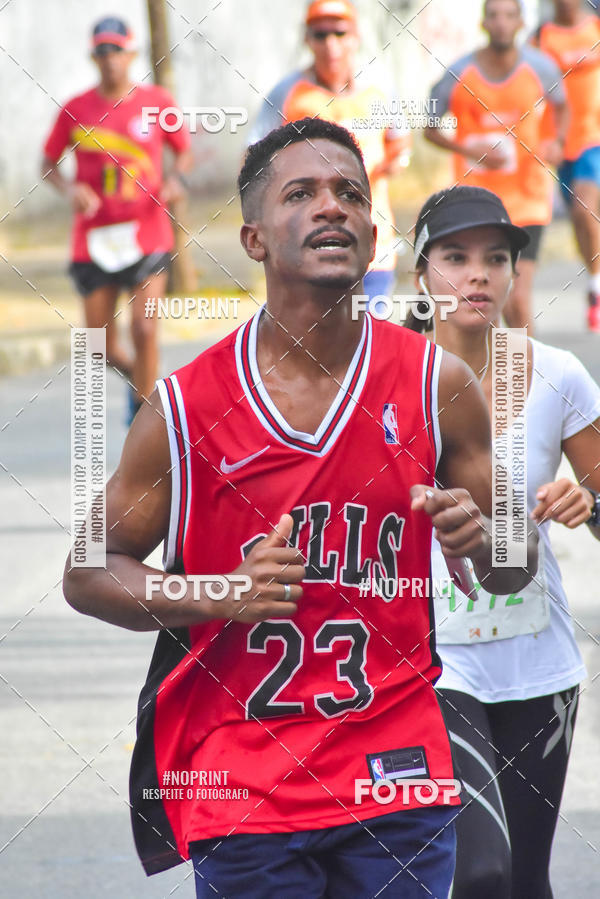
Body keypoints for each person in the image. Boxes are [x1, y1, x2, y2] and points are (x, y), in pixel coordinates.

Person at [63, 119, 538, 898]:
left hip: (397, 769)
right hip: (241, 778)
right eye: (303, 193)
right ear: (254, 239)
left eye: (350, 193)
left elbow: (513, 565)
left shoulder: (437, 383)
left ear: (373, 231)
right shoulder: (188, 407)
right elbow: (87, 572)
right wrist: (220, 592)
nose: (332, 207)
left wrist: (484, 538)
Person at [409, 184, 600, 897]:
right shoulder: (388, 378)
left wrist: (590, 500)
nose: (477, 273)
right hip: (434, 663)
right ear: (421, 271)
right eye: (455, 256)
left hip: (538, 663)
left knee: (524, 877)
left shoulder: (555, 375)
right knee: (479, 868)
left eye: (496, 257)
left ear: (518, 273)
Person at [41, 16, 193, 421]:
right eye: (102, 52)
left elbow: (184, 150)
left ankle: (147, 420)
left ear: (132, 54)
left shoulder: (158, 103)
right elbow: (47, 163)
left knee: (145, 329)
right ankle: (138, 378)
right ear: (94, 57)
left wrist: (176, 180)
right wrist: (70, 188)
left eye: (116, 50)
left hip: (147, 233)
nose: (110, 59)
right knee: (99, 347)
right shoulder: (76, 110)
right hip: (94, 238)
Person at [250, 0, 410, 304]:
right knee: (321, 341)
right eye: (320, 34)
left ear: (355, 37)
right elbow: (254, 156)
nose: (331, 44)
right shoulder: (289, 93)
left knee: (371, 335)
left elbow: (400, 143)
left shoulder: (379, 88)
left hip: (373, 238)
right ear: (307, 39)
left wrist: (393, 163)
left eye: (339, 32)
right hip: (309, 241)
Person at [425, 0, 568, 332]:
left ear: (520, 22)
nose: (501, 22)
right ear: (483, 23)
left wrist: (556, 140)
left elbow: (562, 106)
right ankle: (486, 379)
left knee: (517, 301)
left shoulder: (541, 68)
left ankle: (518, 382)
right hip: (477, 204)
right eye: (494, 15)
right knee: (480, 302)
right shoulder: (459, 72)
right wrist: (466, 149)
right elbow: (429, 127)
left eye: (509, 15)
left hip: (527, 199)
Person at [533, 0, 600, 332]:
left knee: (585, 207)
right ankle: (594, 278)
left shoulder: (596, 26)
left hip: (594, 139)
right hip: (561, 144)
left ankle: (596, 287)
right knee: (579, 215)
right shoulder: (541, 37)